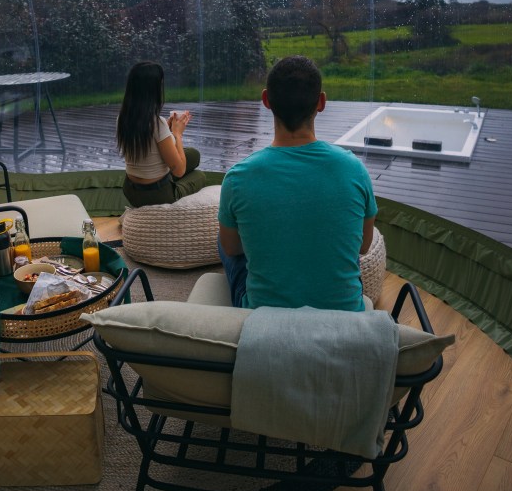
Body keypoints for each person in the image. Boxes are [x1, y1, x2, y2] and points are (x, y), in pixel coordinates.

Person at [218, 55, 377, 311]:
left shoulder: (238, 178)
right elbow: (364, 245)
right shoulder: (354, 169)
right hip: (344, 316)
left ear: (266, 100)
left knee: (224, 239)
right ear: (321, 102)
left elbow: (231, 247)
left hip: (264, 316)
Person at [117, 61, 207, 208]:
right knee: (199, 175)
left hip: (131, 190)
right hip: (157, 194)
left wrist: (168, 131)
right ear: (153, 90)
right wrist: (177, 134)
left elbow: (151, 147)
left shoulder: (122, 119)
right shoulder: (157, 123)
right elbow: (179, 171)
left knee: (193, 154)